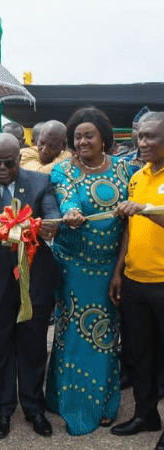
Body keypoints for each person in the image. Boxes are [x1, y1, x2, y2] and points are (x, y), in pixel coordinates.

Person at [45, 107, 138, 435]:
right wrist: (70, 213)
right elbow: (66, 198)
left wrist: (119, 271)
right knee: (72, 336)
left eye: (89, 135)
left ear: (104, 139)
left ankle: (104, 403)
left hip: (109, 268)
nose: (82, 141)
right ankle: (70, 403)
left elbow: (129, 224)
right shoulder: (63, 170)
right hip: (71, 267)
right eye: (77, 136)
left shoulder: (126, 171)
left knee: (104, 336)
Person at [0, 133, 61, 439]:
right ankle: (2, 410)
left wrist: (48, 226)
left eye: (8, 162)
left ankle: (33, 408)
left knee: (33, 347)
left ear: (19, 158)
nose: (2, 168)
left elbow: (52, 214)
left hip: (33, 282)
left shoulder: (39, 182)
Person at [110, 112, 164, 445]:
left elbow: (142, 214)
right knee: (141, 354)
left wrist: (144, 209)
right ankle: (146, 414)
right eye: (140, 136)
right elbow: (130, 230)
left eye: (151, 137)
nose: (142, 143)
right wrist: (119, 271)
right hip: (134, 281)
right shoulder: (138, 175)